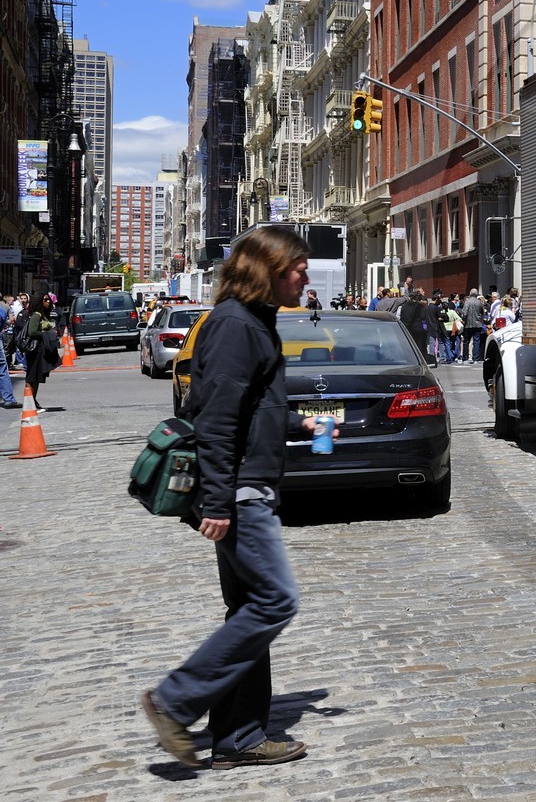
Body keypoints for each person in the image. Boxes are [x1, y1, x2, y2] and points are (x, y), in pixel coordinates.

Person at [139, 224, 330, 770]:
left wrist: (309, 421)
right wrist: (220, 503)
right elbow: (218, 423)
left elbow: (253, 410)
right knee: (275, 600)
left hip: (251, 486)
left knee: (248, 607)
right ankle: (173, 701)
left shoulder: (255, 324)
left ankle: (238, 736)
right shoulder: (233, 326)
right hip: (241, 492)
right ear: (268, 270)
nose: (305, 276)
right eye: (298, 266)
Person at [22, 292, 60, 410]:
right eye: (45, 300)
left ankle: (33, 401)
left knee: (38, 377)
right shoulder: (36, 315)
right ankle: (29, 402)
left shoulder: (43, 315)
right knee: (32, 377)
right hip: (35, 350)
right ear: (39, 301)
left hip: (41, 349)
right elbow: (31, 331)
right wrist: (45, 334)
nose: (48, 302)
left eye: (49, 300)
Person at [461, 289, 484, 362]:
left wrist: (464, 320)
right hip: (477, 324)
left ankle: (465, 358)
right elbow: (482, 312)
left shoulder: (467, 302)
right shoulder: (479, 302)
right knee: (476, 341)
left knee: (466, 341)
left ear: (470, 294)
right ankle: (476, 358)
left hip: (468, 324)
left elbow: (464, 313)